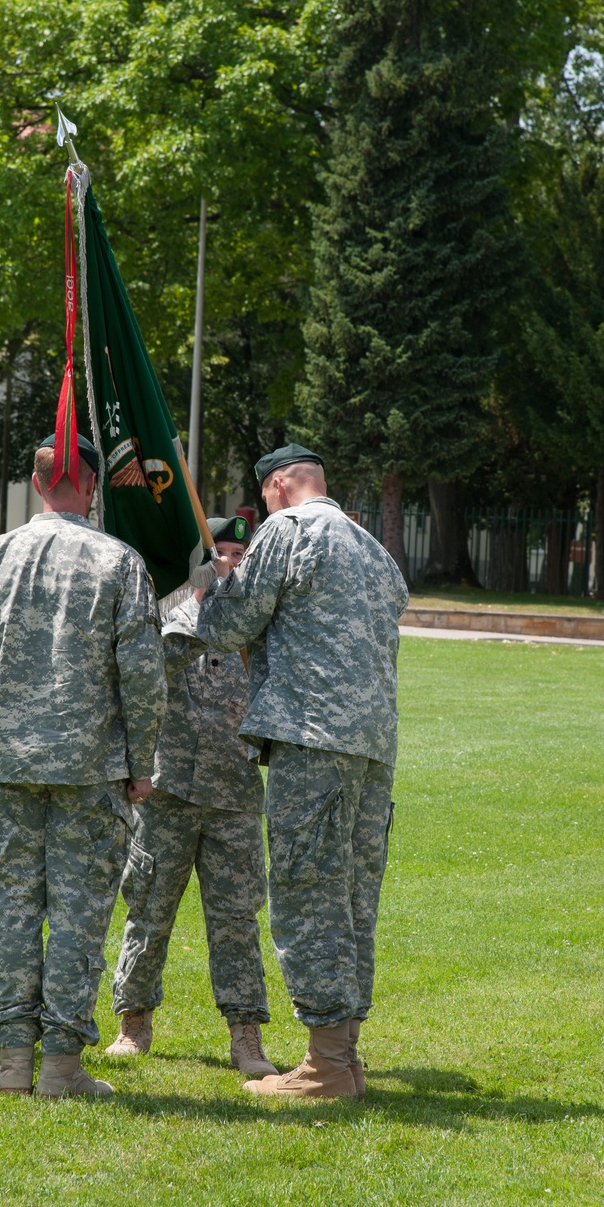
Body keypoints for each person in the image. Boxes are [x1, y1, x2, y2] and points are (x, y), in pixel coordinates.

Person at [0, 432, 166, 1100]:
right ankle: (61, 1066)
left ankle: (14, 1059)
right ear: (91, 485)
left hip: (8, 763)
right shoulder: (119, 561)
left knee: (12, 908)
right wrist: (142, 760)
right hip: (90, 768)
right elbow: (144, 674)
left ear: (39, 483)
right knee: (78, 915)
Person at [194, 444, 409, 1100]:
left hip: (310, 740)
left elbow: (229, 626)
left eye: (263, 497)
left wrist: (209, 586)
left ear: (281, 484)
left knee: (307, 895)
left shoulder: (286, 532)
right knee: (350, 899)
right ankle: (345, 1056)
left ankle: (324, 1066)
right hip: (372, 747)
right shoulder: (373, 547)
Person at [107, 515, 277, 1078]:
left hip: (234, 797)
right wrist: (200, 600)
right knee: (149, 911)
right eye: (221, 556)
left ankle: (246, 1037)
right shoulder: (169, 621)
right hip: (168, 791)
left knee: (236, 920)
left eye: (240, 556)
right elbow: (152, 669)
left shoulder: (261, 630)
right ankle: (133, 1024)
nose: (231, 565)